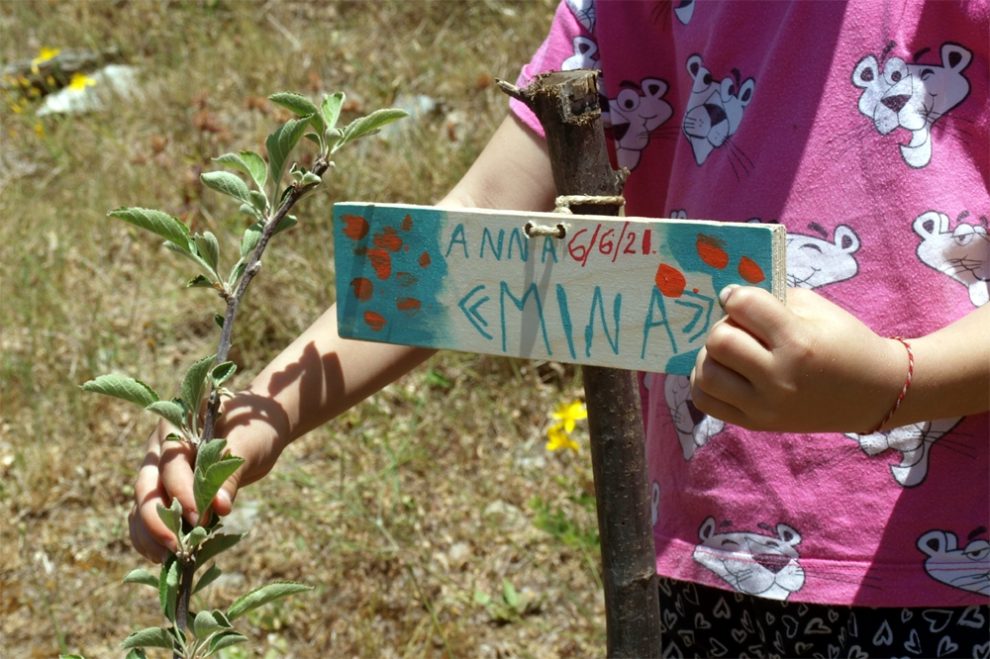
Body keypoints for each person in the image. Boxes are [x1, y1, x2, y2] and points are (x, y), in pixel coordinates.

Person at [132, 1, 989, 656]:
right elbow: (478, 225)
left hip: (953, 584)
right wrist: (262, 410)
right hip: (708, 564)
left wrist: (896, 380)